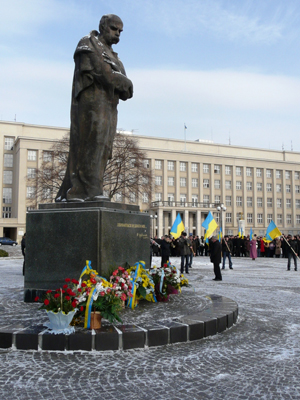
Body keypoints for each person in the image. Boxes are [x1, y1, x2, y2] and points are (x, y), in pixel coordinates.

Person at [56, 14, 133, 202]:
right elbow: (104, 73)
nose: (117, 34)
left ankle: (91, 188)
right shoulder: (88, 43)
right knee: (91, 144)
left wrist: (123, 82)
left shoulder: (114, 56)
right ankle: (82, 190)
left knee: (104, 148)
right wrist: (123, 81)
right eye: (114, 29)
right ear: (103, 26)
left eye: (120, 31)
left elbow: (127, 90)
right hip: (90, 107)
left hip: (109, 108)